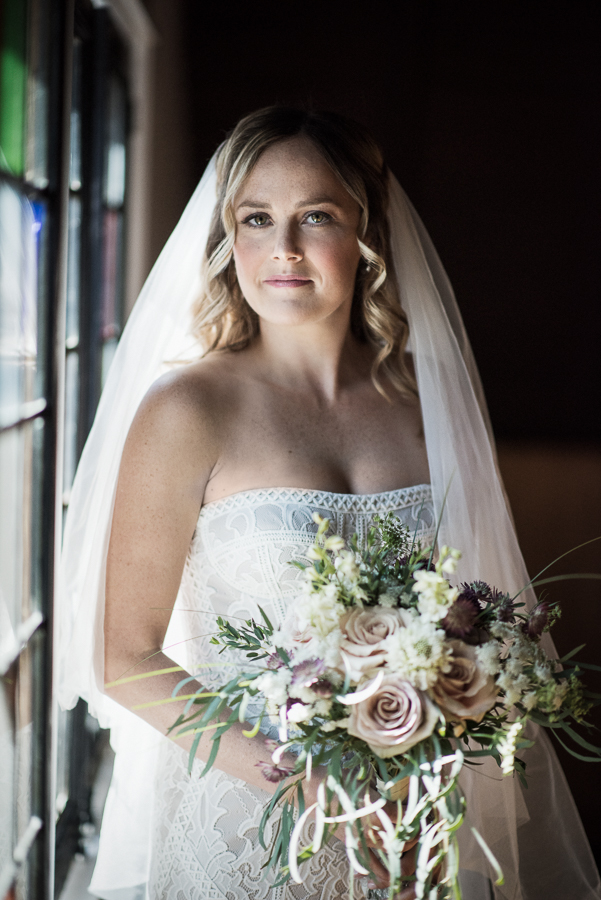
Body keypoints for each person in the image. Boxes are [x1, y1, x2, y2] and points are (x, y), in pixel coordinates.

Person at [57, 108, 601, 900]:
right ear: (226, 237)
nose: (282, 248)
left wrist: (443, 742)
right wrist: (299, 778)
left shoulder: (428, 398)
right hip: (244, 830)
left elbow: (480, 616)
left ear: (367, 234)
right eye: (255, 218)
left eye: (315, 216)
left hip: (414, 821)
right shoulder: (187, 409)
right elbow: (121, 657)